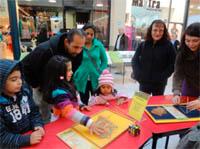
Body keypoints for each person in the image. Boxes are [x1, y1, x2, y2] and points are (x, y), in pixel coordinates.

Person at [21, 29, 86, 123]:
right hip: (37, 80)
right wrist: (40, 87)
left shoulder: (78, 52)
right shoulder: (45, 50)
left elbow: (71, 73)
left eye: (81, 47)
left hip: (56, 80)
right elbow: (28, 70)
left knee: (61, 103)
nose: (78, 51)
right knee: (42, 107)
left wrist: (67, 86)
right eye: (75, 47)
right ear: (66, 42)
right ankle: (43, 126)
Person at [41, 55, 107, 136]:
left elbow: (76, 99)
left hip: (71, 121)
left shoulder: (68, 83)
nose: (72, 72)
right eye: (68, 70)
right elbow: (69, 111)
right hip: (60, 124)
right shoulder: (58, 92)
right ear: (59, 74)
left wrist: (81, 105)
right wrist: (90, 123)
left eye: (71, 69)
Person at [0, 59, 44, 148]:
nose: (20, 82)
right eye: (13, 79)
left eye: (20, 77)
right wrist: (26, 139)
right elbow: (2, 138)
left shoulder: (25, 93)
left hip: (31, 138)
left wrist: (37, 124)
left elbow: (34, 112)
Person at [132, 19, 176, 95]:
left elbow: (173, 64)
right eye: (155, 30)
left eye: (161, 30)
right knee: (141, 105)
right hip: (144, 82)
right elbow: (135, 60)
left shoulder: (169, 46)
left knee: (156, 105)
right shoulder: (143, 44)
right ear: (150, 31)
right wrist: (138, 74)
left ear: (164, 32)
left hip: (159, 84)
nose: (157, 33)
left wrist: (162, 76)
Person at [73, 23, 108, 105]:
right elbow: (73, 60)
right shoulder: (79, 45)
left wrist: (101, 71)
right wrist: (76, 72)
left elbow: (104, 60)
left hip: (96, 78)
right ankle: (86, 117)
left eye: (91, 34)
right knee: (83, 101)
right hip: (82, 78)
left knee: (96, 100)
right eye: (87, 33)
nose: (89, 36)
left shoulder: (98, 45)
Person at [172, 22, 200, 105]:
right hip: (189, 86)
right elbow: (178, 74)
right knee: (186, 111)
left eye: (195, 41)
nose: (191, 44)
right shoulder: (182, 53)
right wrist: (176, 92)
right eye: (187, 41)